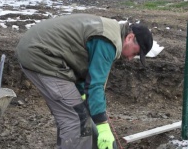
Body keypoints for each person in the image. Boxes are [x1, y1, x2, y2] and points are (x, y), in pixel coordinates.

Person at [16, 13, 153, 149]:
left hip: (40, 51)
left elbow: (83, 69)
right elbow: (96, 84)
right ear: (130, 37)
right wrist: (104, 128)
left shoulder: (110, 31)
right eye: (135, 53)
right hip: (41, 55)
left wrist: (82, 94)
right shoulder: (109, 42)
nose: (130, 59)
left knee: (73, 113)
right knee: (77, 119)